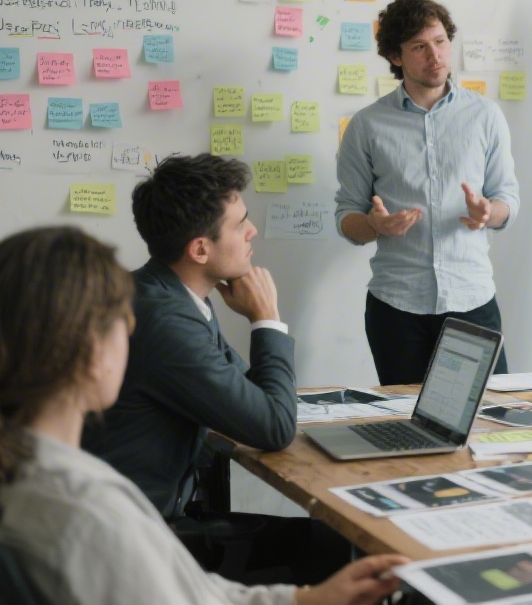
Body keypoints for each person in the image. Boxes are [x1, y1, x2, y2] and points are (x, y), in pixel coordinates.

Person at [0, 225, 408, 605]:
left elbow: (189, 592)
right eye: (123, 324)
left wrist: (306, 600)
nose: (252, 231)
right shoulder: (88, 507)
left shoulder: (24, 471)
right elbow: (273, 423)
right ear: (91, 356)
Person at [81, 153, 343, 584]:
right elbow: (273, 426)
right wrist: (267, 319)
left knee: (324, 542)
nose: (252, 231)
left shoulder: (165, 293)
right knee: (334, 552)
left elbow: (248, 394)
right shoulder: (166, 322)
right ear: (200, 249)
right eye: (240, 224)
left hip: (141, 517)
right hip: (132, 543)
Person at [336, 0, 520, 386]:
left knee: (487, 421)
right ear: (396, 56)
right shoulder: (367, 126)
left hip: (471, 301)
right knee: (406, 430)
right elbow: (346, 217)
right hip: (397, 306)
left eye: (439, 41)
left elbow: (508, 199)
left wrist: (489, 213)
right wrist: (375, 226)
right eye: (419, 47)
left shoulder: (485, 115)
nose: (434, 55)